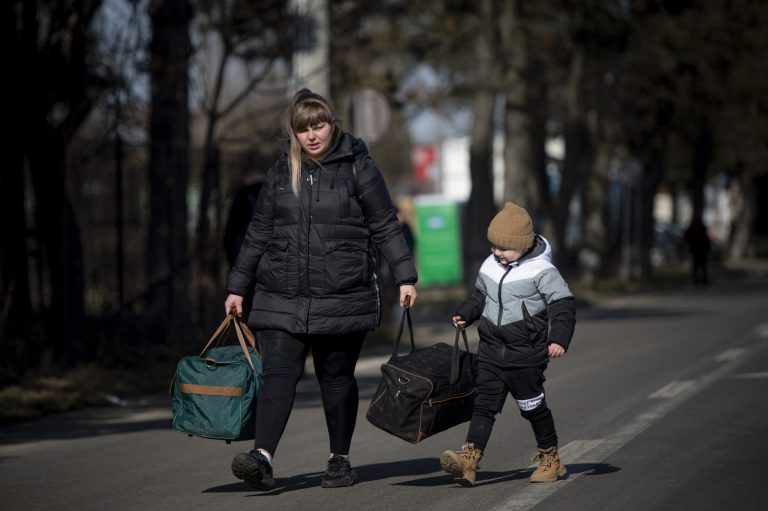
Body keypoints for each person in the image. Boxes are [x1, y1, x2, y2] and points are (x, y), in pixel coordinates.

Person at [224, 89, 418, 491]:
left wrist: (404, 276)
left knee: (336, 378)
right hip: (281, 293)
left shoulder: (358, 167)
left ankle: (339, 460)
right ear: (293, 133)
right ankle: (262, 458)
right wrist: (238, 287)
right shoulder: (280, 174)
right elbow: (258, 233)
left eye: (319, 125)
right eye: (303, 129)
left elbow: (384, 223)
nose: (312, 135)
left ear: (332, 125)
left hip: (342, 294)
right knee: (278, 374)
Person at [439, 202, 575, 487]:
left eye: (504, 247)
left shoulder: (541, 270)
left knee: (532, 407)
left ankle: (551, 458)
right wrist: (466, 312)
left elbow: (562, 305)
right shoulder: (490, 264)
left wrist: (558, 338)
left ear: (524, 245)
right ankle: (469, 459)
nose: (497, 252)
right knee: (483, 405)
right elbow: (480, 296)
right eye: (494, 246)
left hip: (525, 354)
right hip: (489, 350)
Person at [684, 210, 711, 285]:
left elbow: (686, 237)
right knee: (702, 265)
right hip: (700, 249)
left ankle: (698, 279)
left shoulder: (693, 227)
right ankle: (702, 278)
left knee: (697, 265)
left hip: (696, 249)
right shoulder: (700, 227)